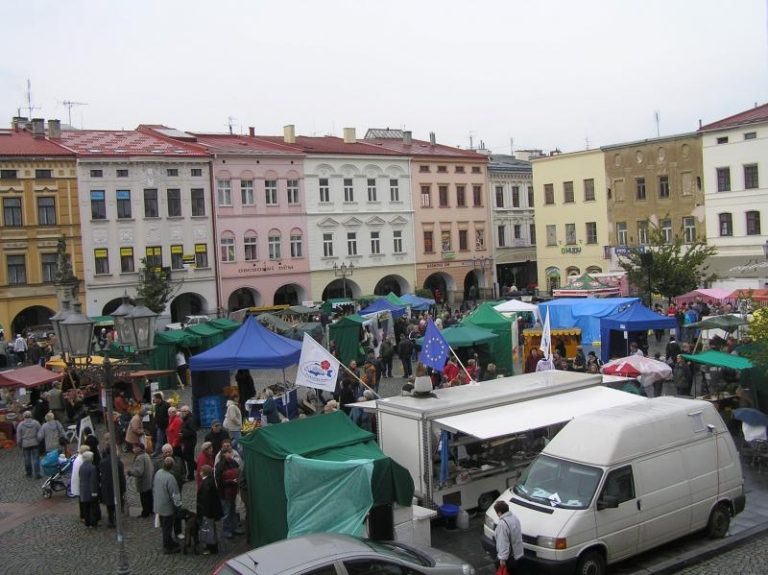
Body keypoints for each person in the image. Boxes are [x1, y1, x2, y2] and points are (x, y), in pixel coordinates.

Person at [154, 457, 182, 554]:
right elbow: (175, 494)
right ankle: (167, 546)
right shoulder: (170, 478)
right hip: (167, 507)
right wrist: (178, 506)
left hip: (159, 504)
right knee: (167, 527)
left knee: (164, 526)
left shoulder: (158, 473)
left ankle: (169, 541)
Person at [215, 447, 242, 539]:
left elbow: (238, 471)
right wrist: (230, 481)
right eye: (228, 452)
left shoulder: (233, 462)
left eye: (230, 452)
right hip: (224, 493)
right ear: (223, 454)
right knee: (226, 512)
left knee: (233, 510)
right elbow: (219, 481)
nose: (230, 454)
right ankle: (226, 530)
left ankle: (234, 528)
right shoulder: (219, 466)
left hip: (233, 492)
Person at [197, 464, 223, 555]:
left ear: (203, 473)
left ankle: (211, 548)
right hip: (212, 511)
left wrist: (204, 513)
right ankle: (213, 546)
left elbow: (206, 500)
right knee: (212, 529)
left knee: (209, 530)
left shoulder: (206, 484)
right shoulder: (210, 481)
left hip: (208, 512)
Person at [99, 446, 126, 528]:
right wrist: (123, 488)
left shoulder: (102, 462)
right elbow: (122, 477)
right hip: (117, 486)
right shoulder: (118, 462)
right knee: (117, 503)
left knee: (109, 505)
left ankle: (111, 520)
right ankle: (117, 518)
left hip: (107, 487)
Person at [493, 500, 523, 573]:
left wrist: (502, 559)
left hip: (509, 558)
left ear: (499, 513)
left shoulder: (502, 524)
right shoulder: (514, 518)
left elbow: (503, 543)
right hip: (518, 554)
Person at [127, 442, 154, 518]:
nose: (133, 449)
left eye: (134, 447)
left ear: (139, 448)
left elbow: (139, 472)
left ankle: (145, 513)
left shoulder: (139, 458)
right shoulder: (146, 455)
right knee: (149, 497)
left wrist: (130, 473)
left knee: (144, 498)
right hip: (148, 480)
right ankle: (151, 510)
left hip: (143, 482)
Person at [17, 411, 42, 478]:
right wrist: (39, 441)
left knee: (27, 459)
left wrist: (19, 444)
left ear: (24, 416)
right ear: (31, 415)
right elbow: (40, 433)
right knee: (36, 459)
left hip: (25, 444)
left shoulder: (20, 425)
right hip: (35, 443)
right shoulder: (36, 423)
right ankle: (37, 473)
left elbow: (19, 436)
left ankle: (29, 473)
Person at [79, 451, 101, 528]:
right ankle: (93, 522)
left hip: (83, 491)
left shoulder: (81, 467)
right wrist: (94, 493)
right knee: (92, 507)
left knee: (86, 508)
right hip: (90, 491)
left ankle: (87, 523)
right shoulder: (92, 468)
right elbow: (93, 481)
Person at [70, 444, 91, 521]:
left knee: (81, 500)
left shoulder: (78, 458)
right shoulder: (81, 460)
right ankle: (83, 516)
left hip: (78, 482)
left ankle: (83, 516)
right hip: (80, 483)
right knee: (83, 501)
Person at [179, 405, 197, 481]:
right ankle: (196, 467)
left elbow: (193, 432)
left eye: (182, 411)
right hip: (187, 441)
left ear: (187, 412)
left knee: (189, 458)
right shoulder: (186, 419)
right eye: (181, 411)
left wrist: (183, 433)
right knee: (188, 458)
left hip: (190, 442)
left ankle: (192, 475)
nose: (181, 413)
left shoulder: (190, 420)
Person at [152, 392, 170, 457]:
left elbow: (170, 415)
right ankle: (157, 452)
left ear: (158, 398)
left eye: (154, 398)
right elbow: (156, 415)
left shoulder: (166, 405)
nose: (153, 400)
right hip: (160, 426)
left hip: (167, 426)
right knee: (159, 440)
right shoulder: (156, 405)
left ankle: (170, 452)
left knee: (169, 440)